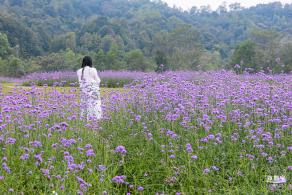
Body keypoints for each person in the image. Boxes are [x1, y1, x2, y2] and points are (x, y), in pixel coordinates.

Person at [77, 56, 102, 120]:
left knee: (84, 107)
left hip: (84, 92)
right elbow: (98, 81)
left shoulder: (79, 71)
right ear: (90, 62)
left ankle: (84, 120)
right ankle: (95, 120)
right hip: (94, 92)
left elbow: (80, 82)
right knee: (95, 106)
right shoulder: (93, 70)